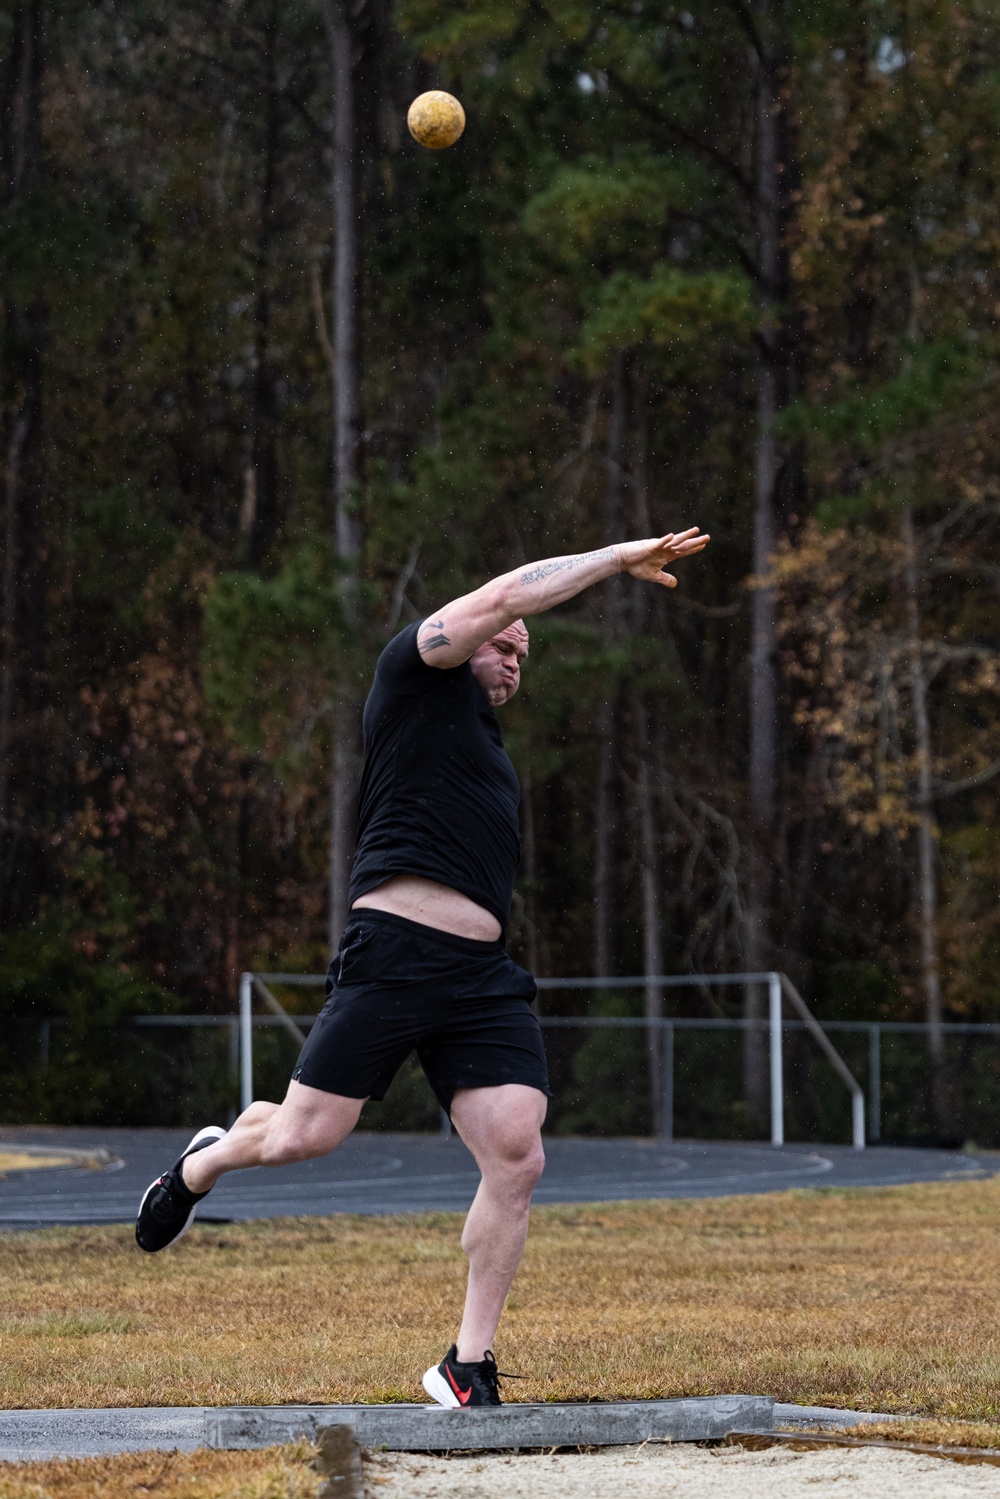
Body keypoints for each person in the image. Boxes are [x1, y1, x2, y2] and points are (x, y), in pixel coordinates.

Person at [135, 528, 710, 1406]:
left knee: (518, 1157)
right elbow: (506, 594)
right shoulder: (411, 678)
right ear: (468, 637)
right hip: (394, 957)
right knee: (302, 1137)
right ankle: (204, 1163)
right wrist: (616, 559)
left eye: (525, 656)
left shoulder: (491, 755)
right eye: (505, 645)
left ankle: (465, 1363)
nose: (515, 657)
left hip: (480, 980)